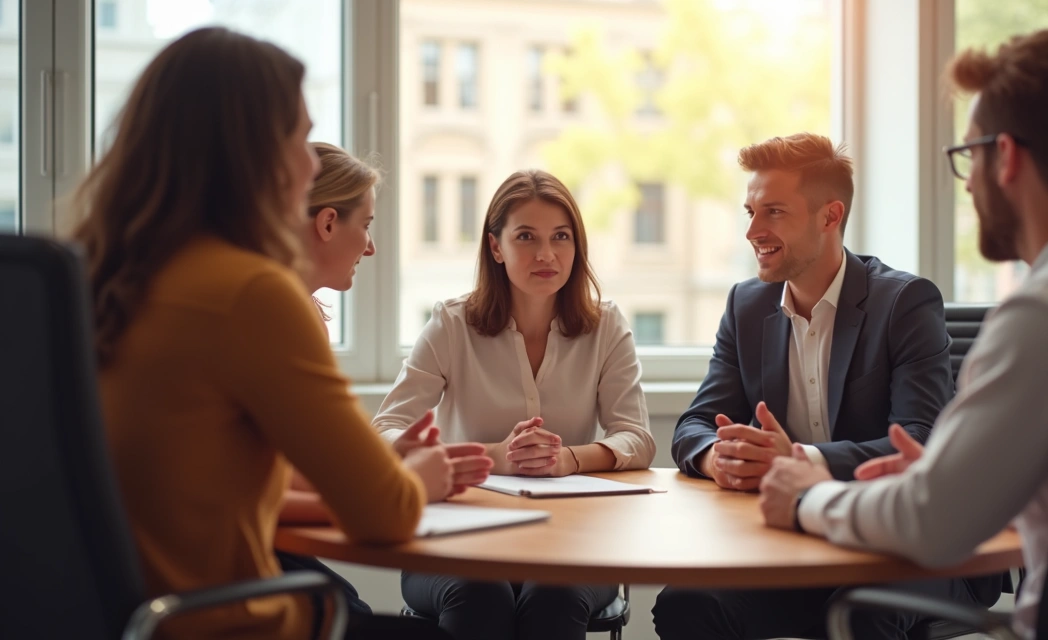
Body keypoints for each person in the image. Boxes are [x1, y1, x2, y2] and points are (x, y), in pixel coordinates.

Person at [758, 27, 1048, 639]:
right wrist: (948, 470)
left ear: (1006, 157)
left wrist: (806, 495)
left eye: (969, 157)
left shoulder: (1043, 314)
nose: (967, 183)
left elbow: (933, 524)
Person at [72, 27, 451, 640]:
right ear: (247, 153)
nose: (309, 162)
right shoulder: (252, 292)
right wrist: (420, 481)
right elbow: (387, 514)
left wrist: (384, 462)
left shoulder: (99, 274)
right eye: (299, 137)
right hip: (221, 623)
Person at [654, 132, 1001, 639]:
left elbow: (919, 439)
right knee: (689, 603)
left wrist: (800, 461)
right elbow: (694, 426)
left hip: (907, 548)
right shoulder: (746, 307)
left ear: (830, 216)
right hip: (799, 543)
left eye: (773, 212)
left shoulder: (904, 303)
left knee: (863, 611)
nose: (753, 230)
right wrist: (720, 458)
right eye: (749, 211)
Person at [373, 169, 657, 640]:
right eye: (526, 236)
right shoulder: (452, 324)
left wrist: (567, 459)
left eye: (560, 237)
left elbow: (638, 438)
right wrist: (494, 457)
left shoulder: (606, 327)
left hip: (573, 543)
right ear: (496, 247)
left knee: (554, 595)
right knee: (480, 595)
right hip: (457, 543)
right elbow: (385, 431)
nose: (546, 254)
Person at [273, 142, 492, 638]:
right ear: (327, 223)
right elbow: (276, 488)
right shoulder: (275, 313)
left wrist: (390, 469)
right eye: (366, 225)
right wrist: (407, 485)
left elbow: (277, 474)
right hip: (230, 573)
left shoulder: (289, 308)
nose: (371, 248)